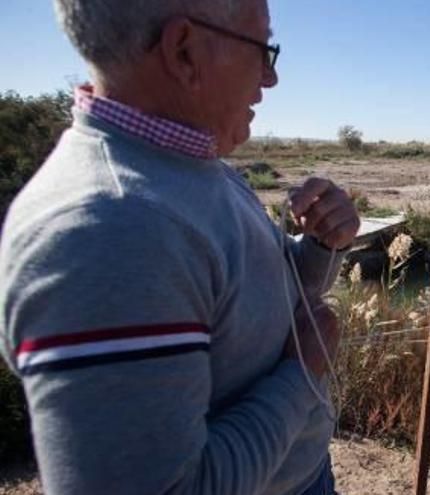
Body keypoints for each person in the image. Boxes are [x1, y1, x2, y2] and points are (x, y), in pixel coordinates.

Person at [0, 0, 359, 493]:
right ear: (184, 51)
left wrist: (321, 245)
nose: (270, 79)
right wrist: (302, 375)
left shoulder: (189, 169)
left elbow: (260, 294)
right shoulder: (107, 232)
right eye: (262, 50)